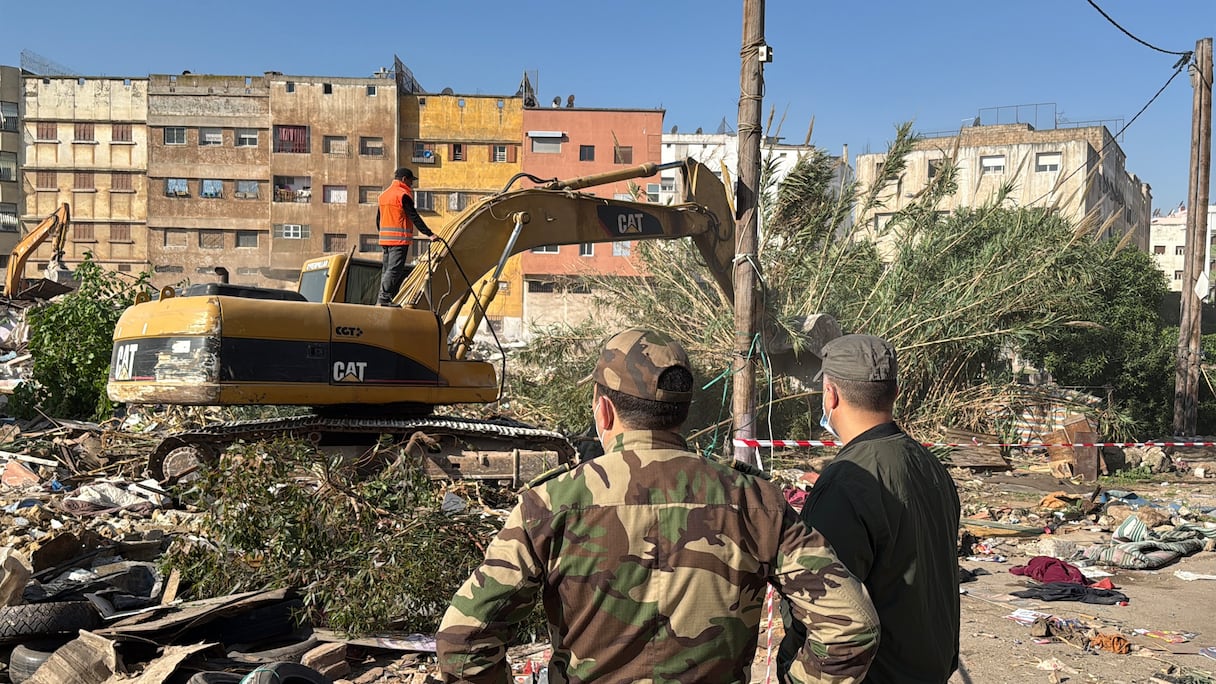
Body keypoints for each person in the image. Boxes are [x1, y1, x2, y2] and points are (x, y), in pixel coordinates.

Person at [436, 329, 880, 683]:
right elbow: (851, 626)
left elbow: (462, 640)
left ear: (604, 411)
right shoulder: (755, 501)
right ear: (681, 414)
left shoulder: (551, 504)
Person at [778, 334, 961, 684]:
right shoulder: (930, 465)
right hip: (928, 669)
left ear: (830, 395)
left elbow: (821, 607)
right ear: (895, 392)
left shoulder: (845, 483)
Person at [375, 167, 434, 306]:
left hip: (385, 240)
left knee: (387, 270)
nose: (411, 184)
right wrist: (429, 234)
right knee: (394, 270)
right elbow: (413, 216)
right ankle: (384, 299)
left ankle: (382, 299)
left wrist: (383, 234)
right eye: (410, 181)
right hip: (398, 239)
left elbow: (378, 219)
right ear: (404, 179)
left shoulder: (384, 195)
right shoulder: (402, 195)